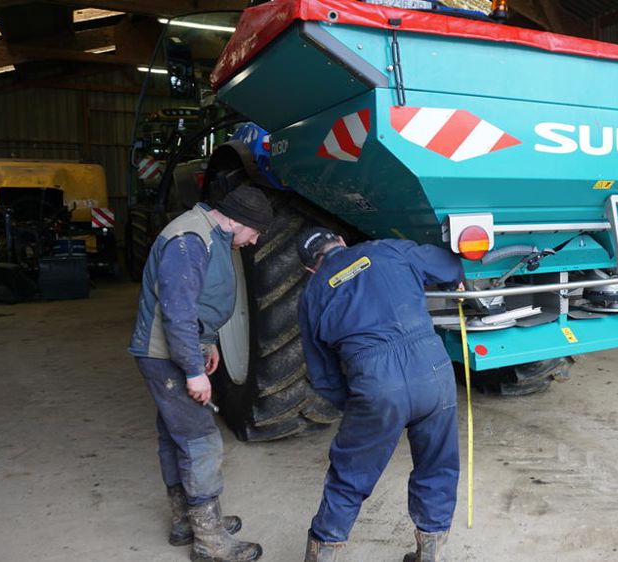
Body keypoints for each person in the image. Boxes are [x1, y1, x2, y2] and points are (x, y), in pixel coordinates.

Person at [296, 228, 464, 562]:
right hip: (435, 370)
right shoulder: (387, 250)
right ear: (341, 242)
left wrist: (362, 407)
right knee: (437, 464)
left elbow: (324, 375)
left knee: (350, 474)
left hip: (375, 383)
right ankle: (430, 553)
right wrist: (451, 281)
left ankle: (324, 553)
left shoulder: (313, 292)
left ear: (310, 268)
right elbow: (450, 266)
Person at [128, 186, 271, 562]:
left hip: (179, 350)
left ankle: (185, 522)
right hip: (166, 357)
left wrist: (208, 345)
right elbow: (177, 311)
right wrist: (193, 370)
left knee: (175, 436)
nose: (254, 240)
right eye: (254, 232)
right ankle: (210, 541)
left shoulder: (210, 235)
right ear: (238, 220)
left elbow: (200, 301)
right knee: (200, 441)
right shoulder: (190, 239)